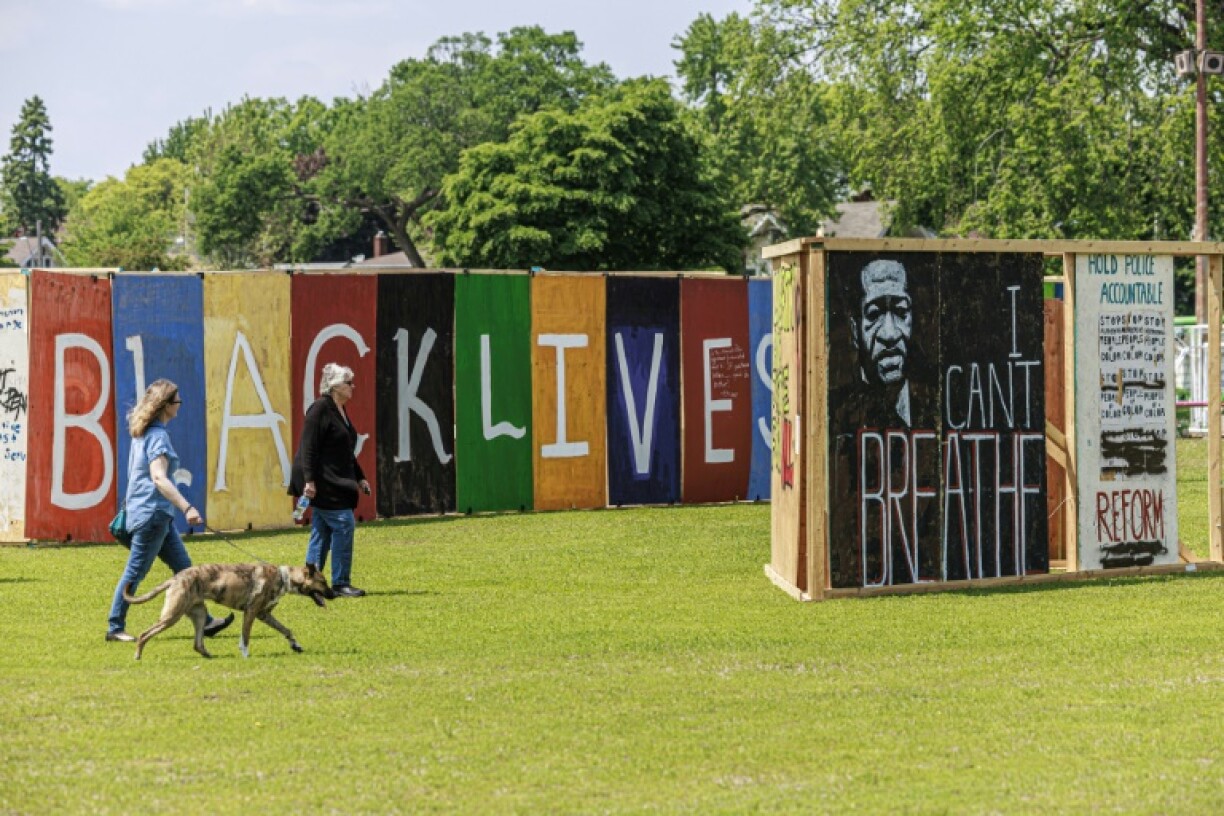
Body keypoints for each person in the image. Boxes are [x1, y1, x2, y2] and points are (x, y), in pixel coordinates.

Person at [107, 379, 233, 642]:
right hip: (152, 515)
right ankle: (115, 627)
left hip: (154, 515)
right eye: (178, 401)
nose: (180, 405)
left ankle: (206, 622)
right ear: (166, 405)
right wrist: (187, 507)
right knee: (135, 572)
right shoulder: (158, 436)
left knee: (185, 570)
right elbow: (159, 478)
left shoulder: (142, 433)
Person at [289, 363, 370, 598]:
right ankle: (340, 582)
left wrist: (360, 476)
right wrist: (309, 481)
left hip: (334, 479)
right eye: (348, 383)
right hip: (322, 481)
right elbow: (309, 449)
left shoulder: (340, 409)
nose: (352, 386)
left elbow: (344, 451)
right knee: (344, 524)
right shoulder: (319, 409)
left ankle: (308, 581)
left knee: (322, 530)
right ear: (335, 386)